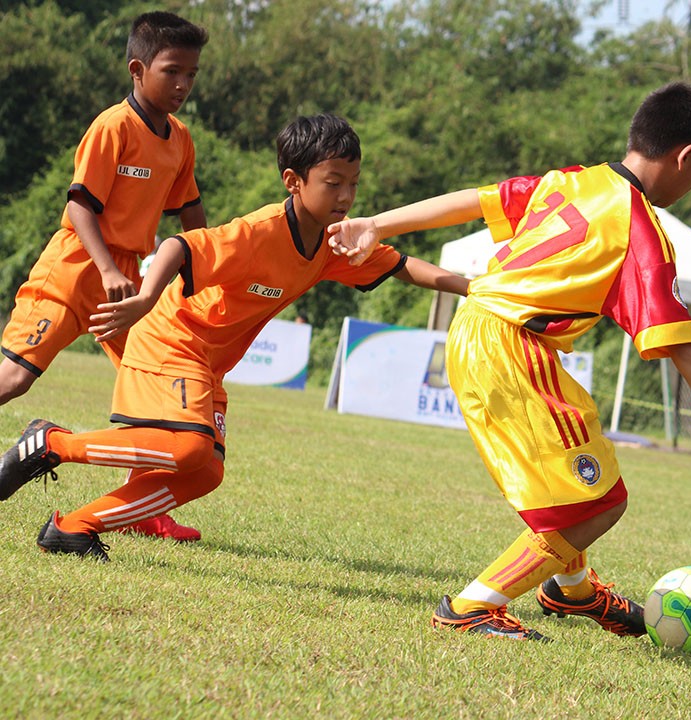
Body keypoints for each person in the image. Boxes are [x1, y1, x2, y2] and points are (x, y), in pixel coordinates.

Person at [328, 82, 691, 641]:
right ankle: (472, 606)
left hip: (485, 333)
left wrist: (377, 224)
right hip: (512, 349)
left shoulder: (571, 182)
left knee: (569, 483)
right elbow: (684, 345)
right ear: (685, 156)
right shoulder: (639, 232)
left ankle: (572, 591)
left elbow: (476, 199)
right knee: (599, 504)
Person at [0, 114, 470, 562]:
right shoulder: (259, 232)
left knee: (204, 472)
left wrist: (476, 287)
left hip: (207, 362)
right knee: (189, 449)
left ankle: (73, 527)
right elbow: (178, 245)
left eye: (353, 183)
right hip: (171, 338)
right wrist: (144, 300)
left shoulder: (331, 244)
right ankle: (52, 444)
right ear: (294, 181)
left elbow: (402, 266)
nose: (346, 196)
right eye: (333, 183)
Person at [0, 12, 209, 542]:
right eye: (172, 71)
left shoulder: (179, 140)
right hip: (76, 270)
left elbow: (192, 214)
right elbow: (78, 208)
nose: (183, 84)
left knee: (159, 396)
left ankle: (141, 510)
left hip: (129, 285)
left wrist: (204, 271)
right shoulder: (113, 126)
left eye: (192, 73)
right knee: (15, 378)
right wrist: (109, 267)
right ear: (138, 69)